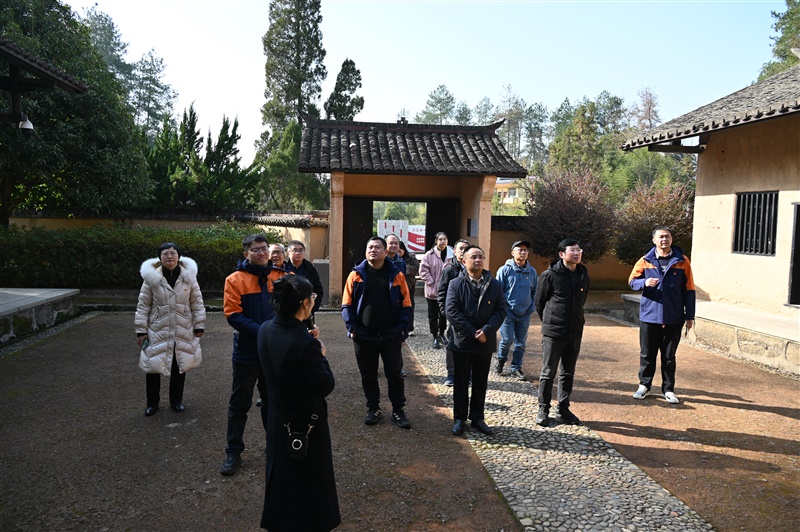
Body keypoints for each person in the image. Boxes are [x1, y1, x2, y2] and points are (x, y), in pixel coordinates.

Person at [257, 275, 340, 531]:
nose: (314, 301)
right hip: (305, 422)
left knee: (281, 474)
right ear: (304, 303)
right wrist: (320, 354)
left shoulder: (265, 329)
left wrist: (306, 338)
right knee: (309, 478)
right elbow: (325, 385)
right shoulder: (306, 344)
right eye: (312, 297)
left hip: (277, 416)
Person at [221, 234, 287, 476]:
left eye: (264, 248)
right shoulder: (234, 279)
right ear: (246, 254)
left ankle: (274, 446)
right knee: (239, 403)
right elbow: (233, 314)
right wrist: (265, 332)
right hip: (247, 351)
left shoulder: (280, 277)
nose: (261, 253)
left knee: (273, 401)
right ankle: (233, 451)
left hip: (274, 352)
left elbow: (292, 307)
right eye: (255, 249)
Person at [342, 236, 413, 428]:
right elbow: (346, 304)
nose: (373, 250)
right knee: (368, 374)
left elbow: (406, 304)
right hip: (364, 335)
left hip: (391, 334)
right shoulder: (355, 275)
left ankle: (398, 410)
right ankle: (373, 408)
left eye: (377, 247)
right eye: (370, 247)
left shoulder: (396, 274)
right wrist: (352, 329)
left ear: (385, 252)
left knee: (394, 374)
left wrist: (401, 330)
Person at [135, 243, 205, 417]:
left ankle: (176, 401)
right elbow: (143, 305)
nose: (169, 256)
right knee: (152, 366)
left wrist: (199, 325)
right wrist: (141, 331)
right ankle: (152, 403)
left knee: (179, 364)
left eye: (173, 253)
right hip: (157, 328)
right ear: (160, 258)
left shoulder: (189, 277)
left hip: (182, 327)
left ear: (178, 256)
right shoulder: (151, 279)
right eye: (165, 253)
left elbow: (197, 303)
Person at [628, 226, 696, 404]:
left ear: (671, 239)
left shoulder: (682, 261)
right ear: (654, 240)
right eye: (661, 237)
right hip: (650, 316)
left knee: (669, 356)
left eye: (667, 236)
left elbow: (689, 290)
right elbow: (632, 282)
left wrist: (689, 315)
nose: (664, 240)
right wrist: (645, 282)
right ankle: (644, 386)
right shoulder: (645, 260)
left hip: (674, 316)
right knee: (647, 354)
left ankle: (669, 389)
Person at [445, 245, 506, 436]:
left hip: (484, 341)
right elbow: (451, 311)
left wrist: (487, 330)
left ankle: (478, 418)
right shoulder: (455, 284)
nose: (478, 260)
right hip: (462, 341)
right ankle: (459, 418)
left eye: (480, 257)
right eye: (473, 257)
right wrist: (472, 332)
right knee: (461, 382)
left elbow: (501, 310)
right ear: (464, 261)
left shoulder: (494, 284)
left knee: (480, 382)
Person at [534, 238, 590, 427]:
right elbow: (539, 303)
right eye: (572, 250)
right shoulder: (549, 275)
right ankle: (543, 409)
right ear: (561, 254)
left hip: (575, 332)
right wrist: (551, 322)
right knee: (548, 372)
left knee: (568, 373)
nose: (577, 253)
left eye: (579, 250)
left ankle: (563, 409)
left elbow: (582, 301)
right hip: (554, 332)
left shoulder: (583, 275)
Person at [495, 240, 538, 380]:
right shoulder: (504, 270)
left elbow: (535, 292)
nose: (523, 252)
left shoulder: (532, 272)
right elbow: (498, 292)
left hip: (525, 313)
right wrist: (502, 309)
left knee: (521, 343)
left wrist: (531, 307)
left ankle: (516, 368)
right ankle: (501, 361)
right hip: (508, 313)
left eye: (525, 250)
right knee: (507, 340)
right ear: (512, 253)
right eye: (520, 250)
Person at [436, 238, 470, 386]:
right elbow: (441, 293)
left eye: (466, 249)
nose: (463, 251)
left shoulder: (474, 269)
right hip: (454, 316)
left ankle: (468, 374)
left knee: (470, 345)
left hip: (471, 315)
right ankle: (451, 374)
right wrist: (446, 313)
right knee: (452, 345)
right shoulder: (449, 270)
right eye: (460, 248)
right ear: (454, 252)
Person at [419, 232, 454, 349]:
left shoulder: (452, 254)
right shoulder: (429, 255)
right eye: (440, 239)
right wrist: (432, 282)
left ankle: (442, 334)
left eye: (445, 239)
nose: (442, 241)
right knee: (433, 315)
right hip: (433, 291)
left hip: (447, 291)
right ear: (436, 241)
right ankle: (434, 335)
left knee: (444, 314)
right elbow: (423, 271)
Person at [398, 240, 420, 336]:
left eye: (400, 251)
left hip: (409, 285)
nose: (398, 253)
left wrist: (404, 268)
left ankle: (410, 328)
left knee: (409, 306)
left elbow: (416, 269)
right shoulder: (390, 259)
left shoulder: (411, 258)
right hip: (396, 286)